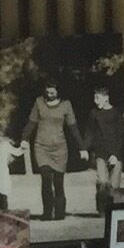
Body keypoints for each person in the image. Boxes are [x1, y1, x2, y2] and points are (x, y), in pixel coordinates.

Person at [19, 79, 80, 221]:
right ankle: (47, 212)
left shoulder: (66, 105)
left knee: (58, 182)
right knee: (46, 179)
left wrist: (82, 147)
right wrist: (24, 138)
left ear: (58, 91)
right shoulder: (39, 102)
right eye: (47, 92)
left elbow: (73, 128)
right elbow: (31, 122)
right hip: (41, 147)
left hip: (60, 148)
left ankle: (59, 213)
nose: (49, 94)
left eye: (52, 92)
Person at [87, 85, 124, 200]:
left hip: (116, 153)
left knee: (114, 186)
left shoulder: (116, 114)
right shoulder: (94, 113)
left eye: (98, 98)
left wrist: (116, 155)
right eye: (94, 98)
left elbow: (121, 136)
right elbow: (90, 133)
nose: (95, 101)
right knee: (102, 182)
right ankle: (102, 207)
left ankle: (113, 209)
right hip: (100, 153)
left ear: (106, 98)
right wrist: (84, 148)